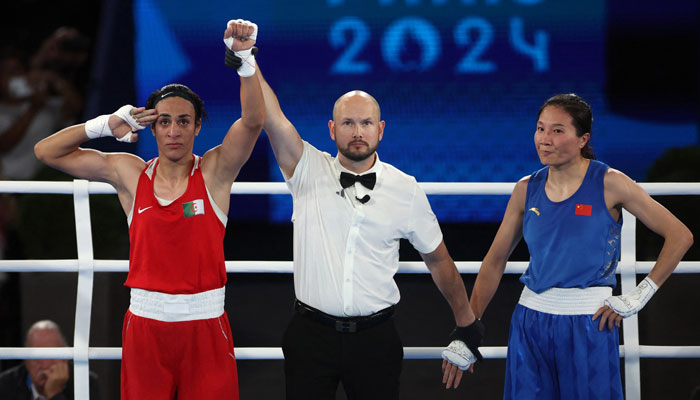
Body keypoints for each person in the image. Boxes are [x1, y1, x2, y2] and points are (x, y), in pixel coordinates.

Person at [34, 19, 264, 399]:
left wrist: (244, 60)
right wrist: (102, 126)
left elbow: (254, 121)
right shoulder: (128, 173)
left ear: (197, 128)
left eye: (183, 122)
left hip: (206, 325)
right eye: (164, 122)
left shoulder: (214, 173)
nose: (173, 131)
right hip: (145, 325)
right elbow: (46, 152)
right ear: (152, 129)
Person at [249, 55, 484, 398]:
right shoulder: (307, 169)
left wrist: (466, 324)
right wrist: (247, 62)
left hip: (376, 338)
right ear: (332, 129)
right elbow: (273, 119)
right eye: (347, 123)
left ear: (381, 128)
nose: (358, 132)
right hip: (310, 335)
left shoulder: (406, 189)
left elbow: (438, 260)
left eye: (366, 123)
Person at [469, 93, 694, 399]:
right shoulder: (525, 189)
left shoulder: (611, 182)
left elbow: (680, 235)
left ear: (582, 138)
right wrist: (467, 328)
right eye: (540, 128)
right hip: (530, 321)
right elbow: (495, 261)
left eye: (558, 130)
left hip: (590, 321)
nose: (544, 139)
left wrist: (641, 294)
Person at [0, 320, 100, 399]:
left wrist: (55, 394)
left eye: (53, 356)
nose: (45, 365)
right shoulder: (6, 384)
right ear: (26, 361)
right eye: (37, 358)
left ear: (65, 359)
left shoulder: (86, 382)